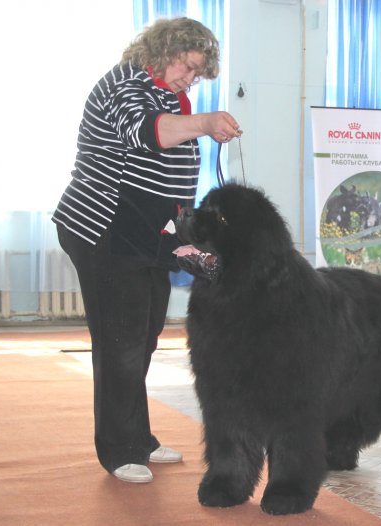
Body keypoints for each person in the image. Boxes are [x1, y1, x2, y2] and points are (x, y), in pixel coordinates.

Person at [52, 17, 241, 484]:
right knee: (121, 341)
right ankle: (118, 450)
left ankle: (139, 437)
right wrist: (205, 122)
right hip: (104, 229)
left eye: (197, 74)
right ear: (165, 49)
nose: (190, 79)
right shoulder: (125, 83)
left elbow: (171, 164)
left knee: (145, 334)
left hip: (147, 234)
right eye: (187, 67)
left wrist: (183, 235)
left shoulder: (169, 94)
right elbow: (148, 132)